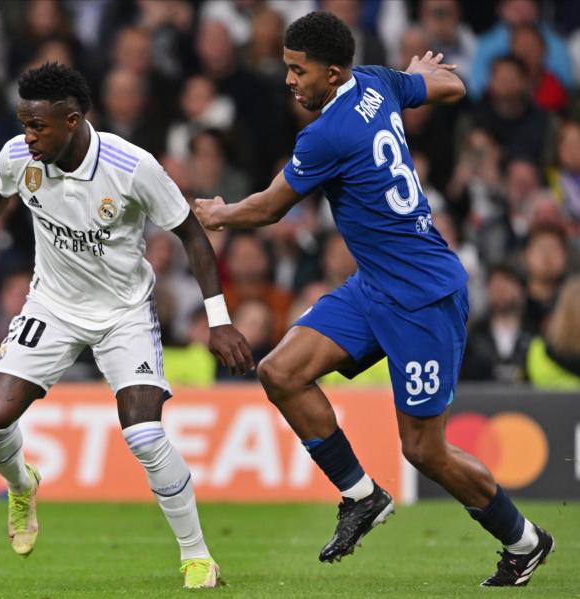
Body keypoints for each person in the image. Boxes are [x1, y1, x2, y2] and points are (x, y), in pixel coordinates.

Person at [193, 11, 554, 587]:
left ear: (333, 73)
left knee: (425, 451)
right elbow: (454, 85)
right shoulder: (376, 82)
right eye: (286, 67)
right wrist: (417, 75)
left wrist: (217, 213)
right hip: (375, 286)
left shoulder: (327, 134)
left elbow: (267, 208)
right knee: (281, 371)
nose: (289, 80)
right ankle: (361, 495)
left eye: (298, 70)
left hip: (423, 297)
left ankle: (525, 540)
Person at [0, 62, 253, 589]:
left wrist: (218, 320)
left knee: (145, 434)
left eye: (39, 127)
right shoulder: (19, 156)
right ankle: (22, 484)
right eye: (24, 124)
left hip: (124, 312)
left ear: (73, 120)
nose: (27, 137)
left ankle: (196, 555)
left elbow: (192, 235)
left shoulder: (131, 166)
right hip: (51, 305)